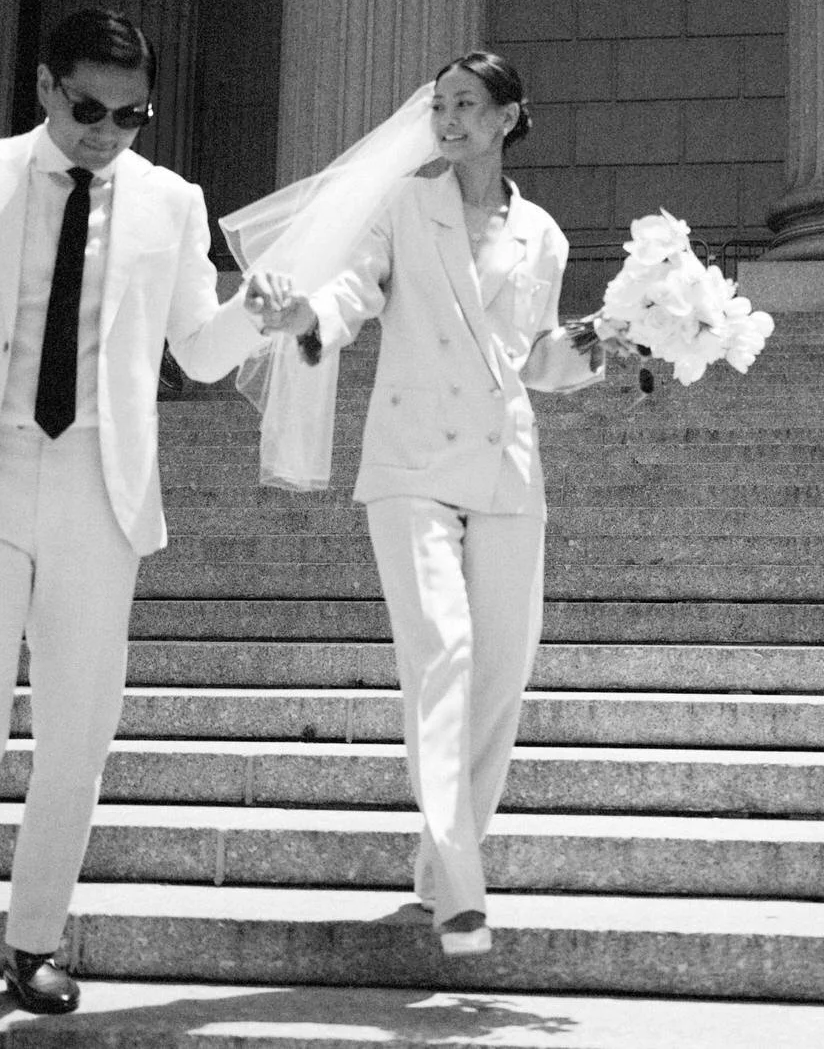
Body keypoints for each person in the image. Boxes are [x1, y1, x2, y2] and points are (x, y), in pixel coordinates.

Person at [0, 7, 301, 1043]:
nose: (109, 131)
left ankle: (36, 939)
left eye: (134, 113)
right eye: (91, 108)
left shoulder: (172, 201)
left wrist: (256, 312)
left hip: (100, 491)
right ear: (45, 87)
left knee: (77, 735)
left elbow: (195, 353)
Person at [256, 51, 601, 958]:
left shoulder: (546, 233)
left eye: (466, 105)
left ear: (507, 117)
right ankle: (460, 883)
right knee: (441, 653)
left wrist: (614, 345)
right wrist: (307, 319)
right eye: (441, 103)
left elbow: (532, 358)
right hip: (409, 462)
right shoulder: (406, 205)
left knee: (498, 679)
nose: (446, 118)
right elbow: (354, 289)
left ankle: (441, 866)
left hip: (505, 468)